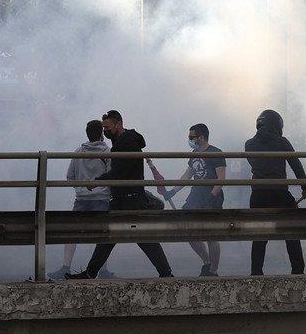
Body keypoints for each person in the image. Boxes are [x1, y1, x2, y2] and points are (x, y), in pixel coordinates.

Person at [66, 110, 174, 279]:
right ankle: (90, 273)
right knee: (111, 237)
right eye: (104, 128)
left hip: (131, 198)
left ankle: (166, 273)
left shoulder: (127, 142)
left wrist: (97, 181)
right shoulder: (121, 142)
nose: (105, 131)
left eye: (108, 127)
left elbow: (119, 171)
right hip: (123, 197)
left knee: (138, 237)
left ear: (119, 124)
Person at [246, 109, 306, 276]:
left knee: (259, 236)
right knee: (292, 232)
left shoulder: (249, 144)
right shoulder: (282, 142)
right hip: (280, 193)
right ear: (277, 125)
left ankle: (256, 272)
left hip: (258, 195)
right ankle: (298, 270)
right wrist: (305, 187)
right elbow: (296, 165)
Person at [48, 119, 114, 280]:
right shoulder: (107, 152)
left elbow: (70, 176)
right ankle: (103, 270)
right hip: (102, 198)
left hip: (82, 198)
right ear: (101, 134)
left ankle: (66, 267)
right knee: (102, 234)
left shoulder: (79, 151)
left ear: (87, 134)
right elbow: (112, 176)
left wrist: (80, 189)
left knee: (73, 232)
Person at [162, 123, 226, 276]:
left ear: (201, 137)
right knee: (188, 230)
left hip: (212, 197)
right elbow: (188, 175)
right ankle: (206, 262)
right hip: (195, 195)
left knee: (211, 235)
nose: (189, 140)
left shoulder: (216, 153)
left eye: (192, 137)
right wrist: (173, 191)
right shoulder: (194, 153)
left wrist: (211, 196)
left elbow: (221, 179)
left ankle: (213, 271)